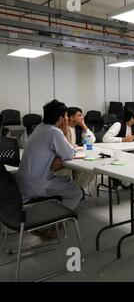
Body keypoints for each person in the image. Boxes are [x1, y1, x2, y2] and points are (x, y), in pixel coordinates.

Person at [17, 100, 82, 239]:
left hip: (24, 182)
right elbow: (69, 154)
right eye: (64, 116)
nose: (65, 119)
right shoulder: (54, 132)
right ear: (60, 119)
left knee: (66, 180)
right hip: (37, 184)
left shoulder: (40, 127)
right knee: (76, 192)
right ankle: (46, 226)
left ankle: (51, 218)